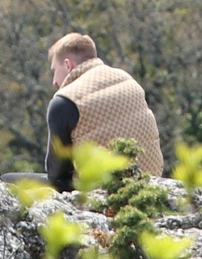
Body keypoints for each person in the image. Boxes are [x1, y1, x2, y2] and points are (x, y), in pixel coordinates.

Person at [44, 32, 162, 189]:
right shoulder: (127, 80)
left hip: (101, 191)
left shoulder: (65, 101)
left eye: (54, 70)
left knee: (10, 181)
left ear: (67, 65)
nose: (54, 81)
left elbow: (56, 173)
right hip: (150, 184)